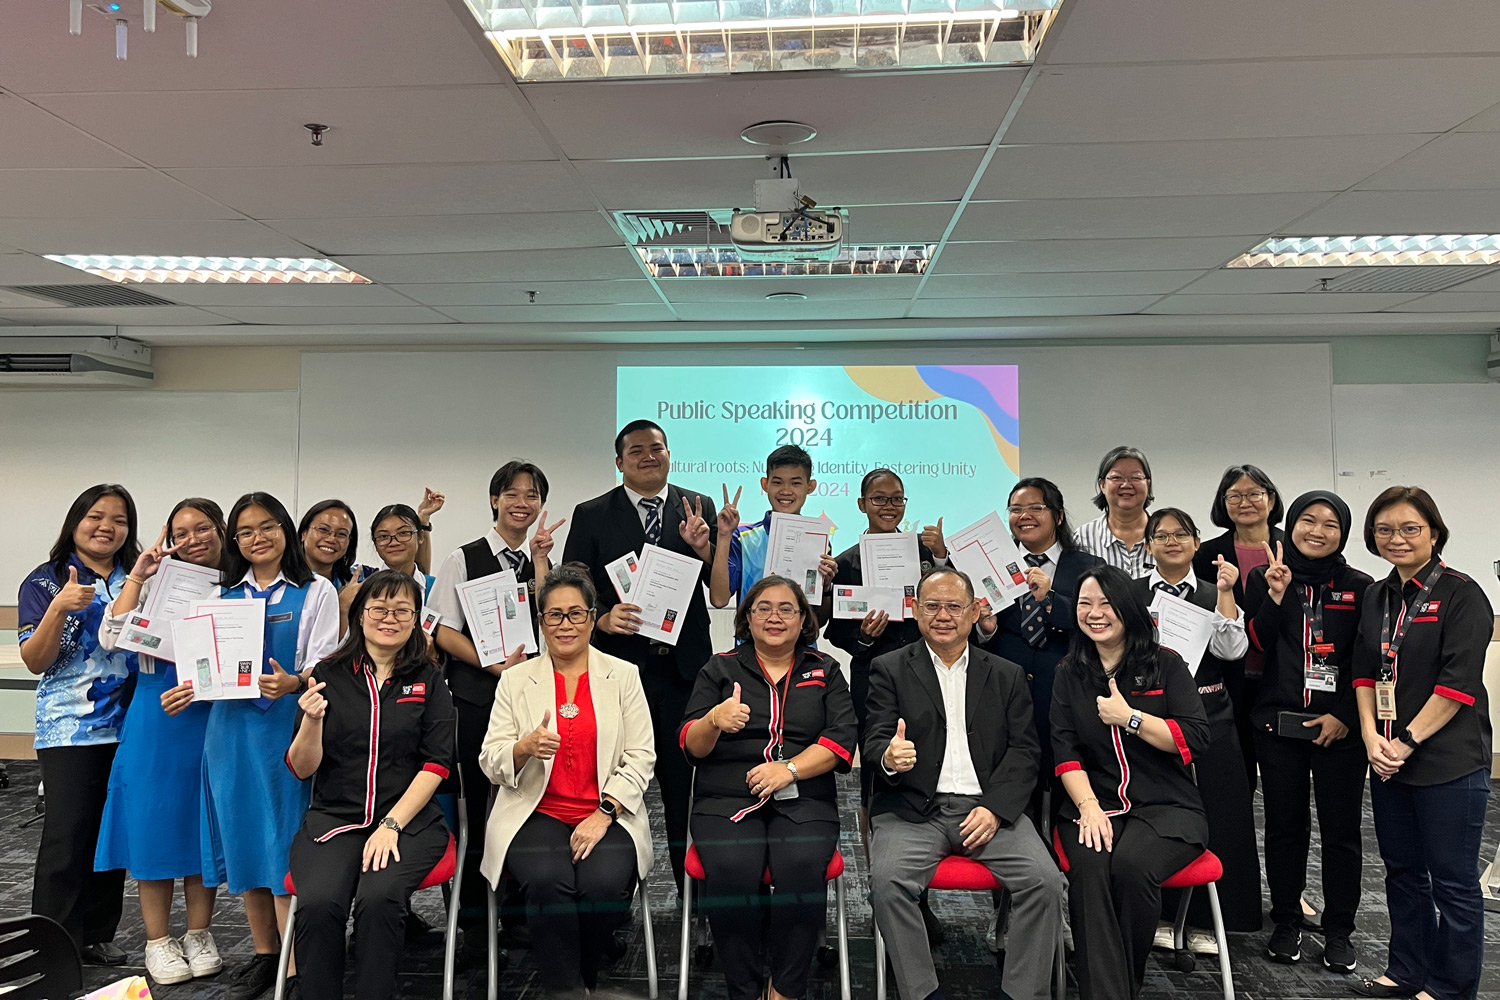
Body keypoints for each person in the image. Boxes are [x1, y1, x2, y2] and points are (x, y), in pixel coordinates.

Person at [863, 567, 1065, 1000]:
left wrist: (994, 808)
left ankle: (1024, 993)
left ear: (974, 612)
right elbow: (875, 738)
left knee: (1044, 881)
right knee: (887, 882)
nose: (943, 616)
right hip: (914, 810)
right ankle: (922, 992)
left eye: (954, 606)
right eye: (932, 606)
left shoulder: (1007, 674)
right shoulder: (890, 669)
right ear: (915, 611)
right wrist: (889, 757)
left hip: (990, 809)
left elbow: (1026, 751)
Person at [481, 564, 656, 1000]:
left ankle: (582, 979)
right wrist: (523, 747)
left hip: (607, 811)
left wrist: (605, 812)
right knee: (547, 882)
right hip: (535, 811)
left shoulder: (623, 674)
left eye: (576, 613)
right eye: (554, 615)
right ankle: (570, 991)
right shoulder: (516, 680)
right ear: (541, 622)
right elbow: (490, 758)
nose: (565, 625)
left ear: (592, 617)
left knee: (602, 886)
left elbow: (641, 755)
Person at [681, 576, 857, 1000]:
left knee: (800, 862)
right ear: (746, 617)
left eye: (786, 609)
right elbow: (690, 744)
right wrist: (713, 721)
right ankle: (743, 988)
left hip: (805, 795)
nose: (774, 617)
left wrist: (790, 769)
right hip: (726, 796)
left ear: (803, 620)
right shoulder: (720, 667)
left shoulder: (825, 669)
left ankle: (786, 988)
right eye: (763, 607)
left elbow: (841, 739)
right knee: (731, 868)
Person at [285, 570, 457, 1000]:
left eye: (403, 610)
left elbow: (436, 765)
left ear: (416, 619)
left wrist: (392, 825)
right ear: (360, 615)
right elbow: (302, 768)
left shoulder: (428, 678)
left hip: (409, 823)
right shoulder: (327, 674)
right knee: (319, 904)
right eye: (379, 608)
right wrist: (311, 720)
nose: (390, 617)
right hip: (336, 820)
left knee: (379, 899)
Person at [561, 419, 716, 889]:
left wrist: (706, 548)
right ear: (619, 461)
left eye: (657, 448)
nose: (648, 456)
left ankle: (694, 897)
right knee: (612, 780)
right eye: (636, 451)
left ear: (669, 453)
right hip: (619, 668)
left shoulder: (697, 505)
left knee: (682, 786)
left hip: (684, 669)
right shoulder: (591, 513)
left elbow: (717, 585)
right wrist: (603, 617)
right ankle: (614, 893)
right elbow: (574, 585)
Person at [1352, 487, 1493, 1000]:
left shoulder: (1462, 593)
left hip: (1448, 762)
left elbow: (1457, 686)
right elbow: (1364, 673)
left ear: (1434, 532)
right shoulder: (1377, 595)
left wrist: (1405, 742)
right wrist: (1372, 737)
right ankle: (1406, 972)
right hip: (1389, 760)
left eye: (1410, 528)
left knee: (1453, 881)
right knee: (1403, 872)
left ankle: (1452, 988)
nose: (1397, 538)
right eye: (1385, 529)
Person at [201, 492, 340, 1000]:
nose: (258, 538)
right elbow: (204, 664)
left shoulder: (315, 590)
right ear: (235, 541)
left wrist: (295, 682)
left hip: (289, 724)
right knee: (242, 839)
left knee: (284, 840)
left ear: (286, 530)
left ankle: (298, 964)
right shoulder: (220, 597)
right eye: (246, 531)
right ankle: (264, 954)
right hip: (229, 730)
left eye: (268, 526)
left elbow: (325, 664)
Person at [1051, 564, 1210, 1000]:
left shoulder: (1166, 665)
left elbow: (1195, 738)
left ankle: (1120, 988)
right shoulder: (1070, 672)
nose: (1095, 613)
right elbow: (1065, 753)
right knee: (1090, 868)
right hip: (1091, 802)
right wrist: (1087, 808)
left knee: (1132, 867)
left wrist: (1132, 719)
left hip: (1166, 807)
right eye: (1085, 603)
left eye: (1106, 603)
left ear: (1128, 610)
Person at [96, 499, 228, 985]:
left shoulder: (235, 585)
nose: (192, 539)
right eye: (181, 531)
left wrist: (207, 686)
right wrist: (139, 574)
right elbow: (111, 638)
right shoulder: (152, 581)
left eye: (202, 528)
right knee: (153, 821)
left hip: (211, 713)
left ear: (221, 530)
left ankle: (199, 933)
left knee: (200, 823)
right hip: (156, 711)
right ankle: (157, 941)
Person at [427, 461, 561, 939]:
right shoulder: (463, 559)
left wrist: (543, 562)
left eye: (532, 495)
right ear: (494, 500)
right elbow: (441, 630)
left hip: (531, 703)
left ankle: (523, 912)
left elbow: (553, 626)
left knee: (528, 805)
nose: (522, 503)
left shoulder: (538, 562)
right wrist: (491, 665)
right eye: (512, 494)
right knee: (479, 815)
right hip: (477, 702)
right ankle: (475, 924)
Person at [1244, 491, 1371, 973]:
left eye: (1330, 524)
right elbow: (1256, 643)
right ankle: (1287, 921)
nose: (1317, 531)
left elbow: (1368, 656)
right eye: (1307, 521)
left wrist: (1343, 714)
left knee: (1341, 832)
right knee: (1284, 829)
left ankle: (1340, 930)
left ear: (1343, 532)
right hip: (1278, 727)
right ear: (1291, 523)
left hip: (1340, 730)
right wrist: (1275, 596)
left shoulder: (1361, 586)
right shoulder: (1266, 576)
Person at [18, 484, 141, 966]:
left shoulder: (138, 577)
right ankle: (51, 946)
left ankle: (95, 932)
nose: (107, 526)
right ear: (75, 521)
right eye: (96, 516)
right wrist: (59, 607)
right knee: (67, 836)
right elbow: (35, 660)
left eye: (120, 519)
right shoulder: (46, 580)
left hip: (132, 724)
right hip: (70, 728)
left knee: (112, 832)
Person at [1134, 508, 1261, 947]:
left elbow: (1232, 651)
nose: (1171, 542)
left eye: (1180, 534)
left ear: (1196, 541)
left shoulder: (1215, 588)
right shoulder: (1132, 594)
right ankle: (1163, 916)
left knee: (1222, 813)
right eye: (1161, 535)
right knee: (1159, 813)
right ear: (1147, 545)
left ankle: (1213, 921)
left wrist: (1226, 594)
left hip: (1210, 713)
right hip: (1150, 717)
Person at [975, 477, 1103, 783]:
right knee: (1011, 781)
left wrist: (1051, 600)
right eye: (1016, 509)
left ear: (1058, 516)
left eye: (1036, 507)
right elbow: (977, 639)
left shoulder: (1089, 567)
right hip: (1006, 691)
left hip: (1066, 689)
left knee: (1067, 779)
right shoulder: (988, 565)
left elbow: (1099, 625)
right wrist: (986, 630)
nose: (1024, 516)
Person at [824, 468, 942, 798]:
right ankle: (874, 841)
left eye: (896, 499)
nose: (888, 506)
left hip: (926, 673)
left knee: (929, 756)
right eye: (878, 499)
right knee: (876, 770)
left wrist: (943, 557)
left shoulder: (926, 555)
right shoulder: (846, 562)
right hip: (873, 674)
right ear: (862, 504)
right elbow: (835, 632)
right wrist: (862, 636)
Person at [1194, 464, 1286, 793]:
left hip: (1281, 676)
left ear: (1271, 501)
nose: (1244, 502)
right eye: (1234, 495)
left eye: (1253, 494)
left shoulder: (1292, 549)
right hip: (1230, 677)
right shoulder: (1206, 554)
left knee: (1282, 777)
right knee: (1237, 771)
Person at [708, 444, 836, 617]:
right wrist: (723, 537)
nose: (785, 491)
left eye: (796, 483)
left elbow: (818, 621)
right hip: (752, 641)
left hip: (801, 643)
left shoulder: (820, 541)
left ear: (810, 486)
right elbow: (719, 599)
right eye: (777, 482)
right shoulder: (743, 538)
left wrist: (826, 586)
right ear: (765, 484)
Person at [1073, 446, 1155, 577]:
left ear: (1148, 484)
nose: (1126, 485)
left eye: (1136, 477)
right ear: (1102, 484)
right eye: (1117, 477)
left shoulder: (1168, 536)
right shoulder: (1082, 539)